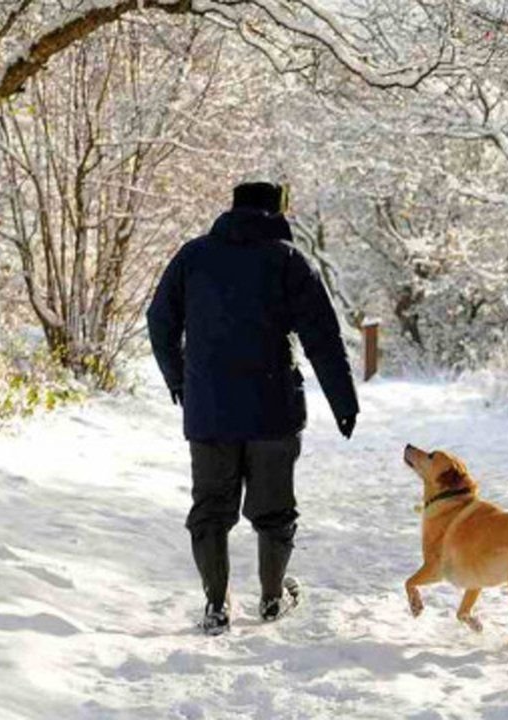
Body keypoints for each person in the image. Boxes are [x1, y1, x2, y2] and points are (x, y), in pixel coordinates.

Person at [146, 181, 359, 635]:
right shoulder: (287, 260)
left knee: (211, 509)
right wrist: (344, 402)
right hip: (272, 409)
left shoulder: (193, 256)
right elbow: (322, 336)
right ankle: (270, 599)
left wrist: (179, 378)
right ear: (276, 210)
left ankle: (215, 605)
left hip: (209, 411)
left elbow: (159, 320)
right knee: (274, 510)